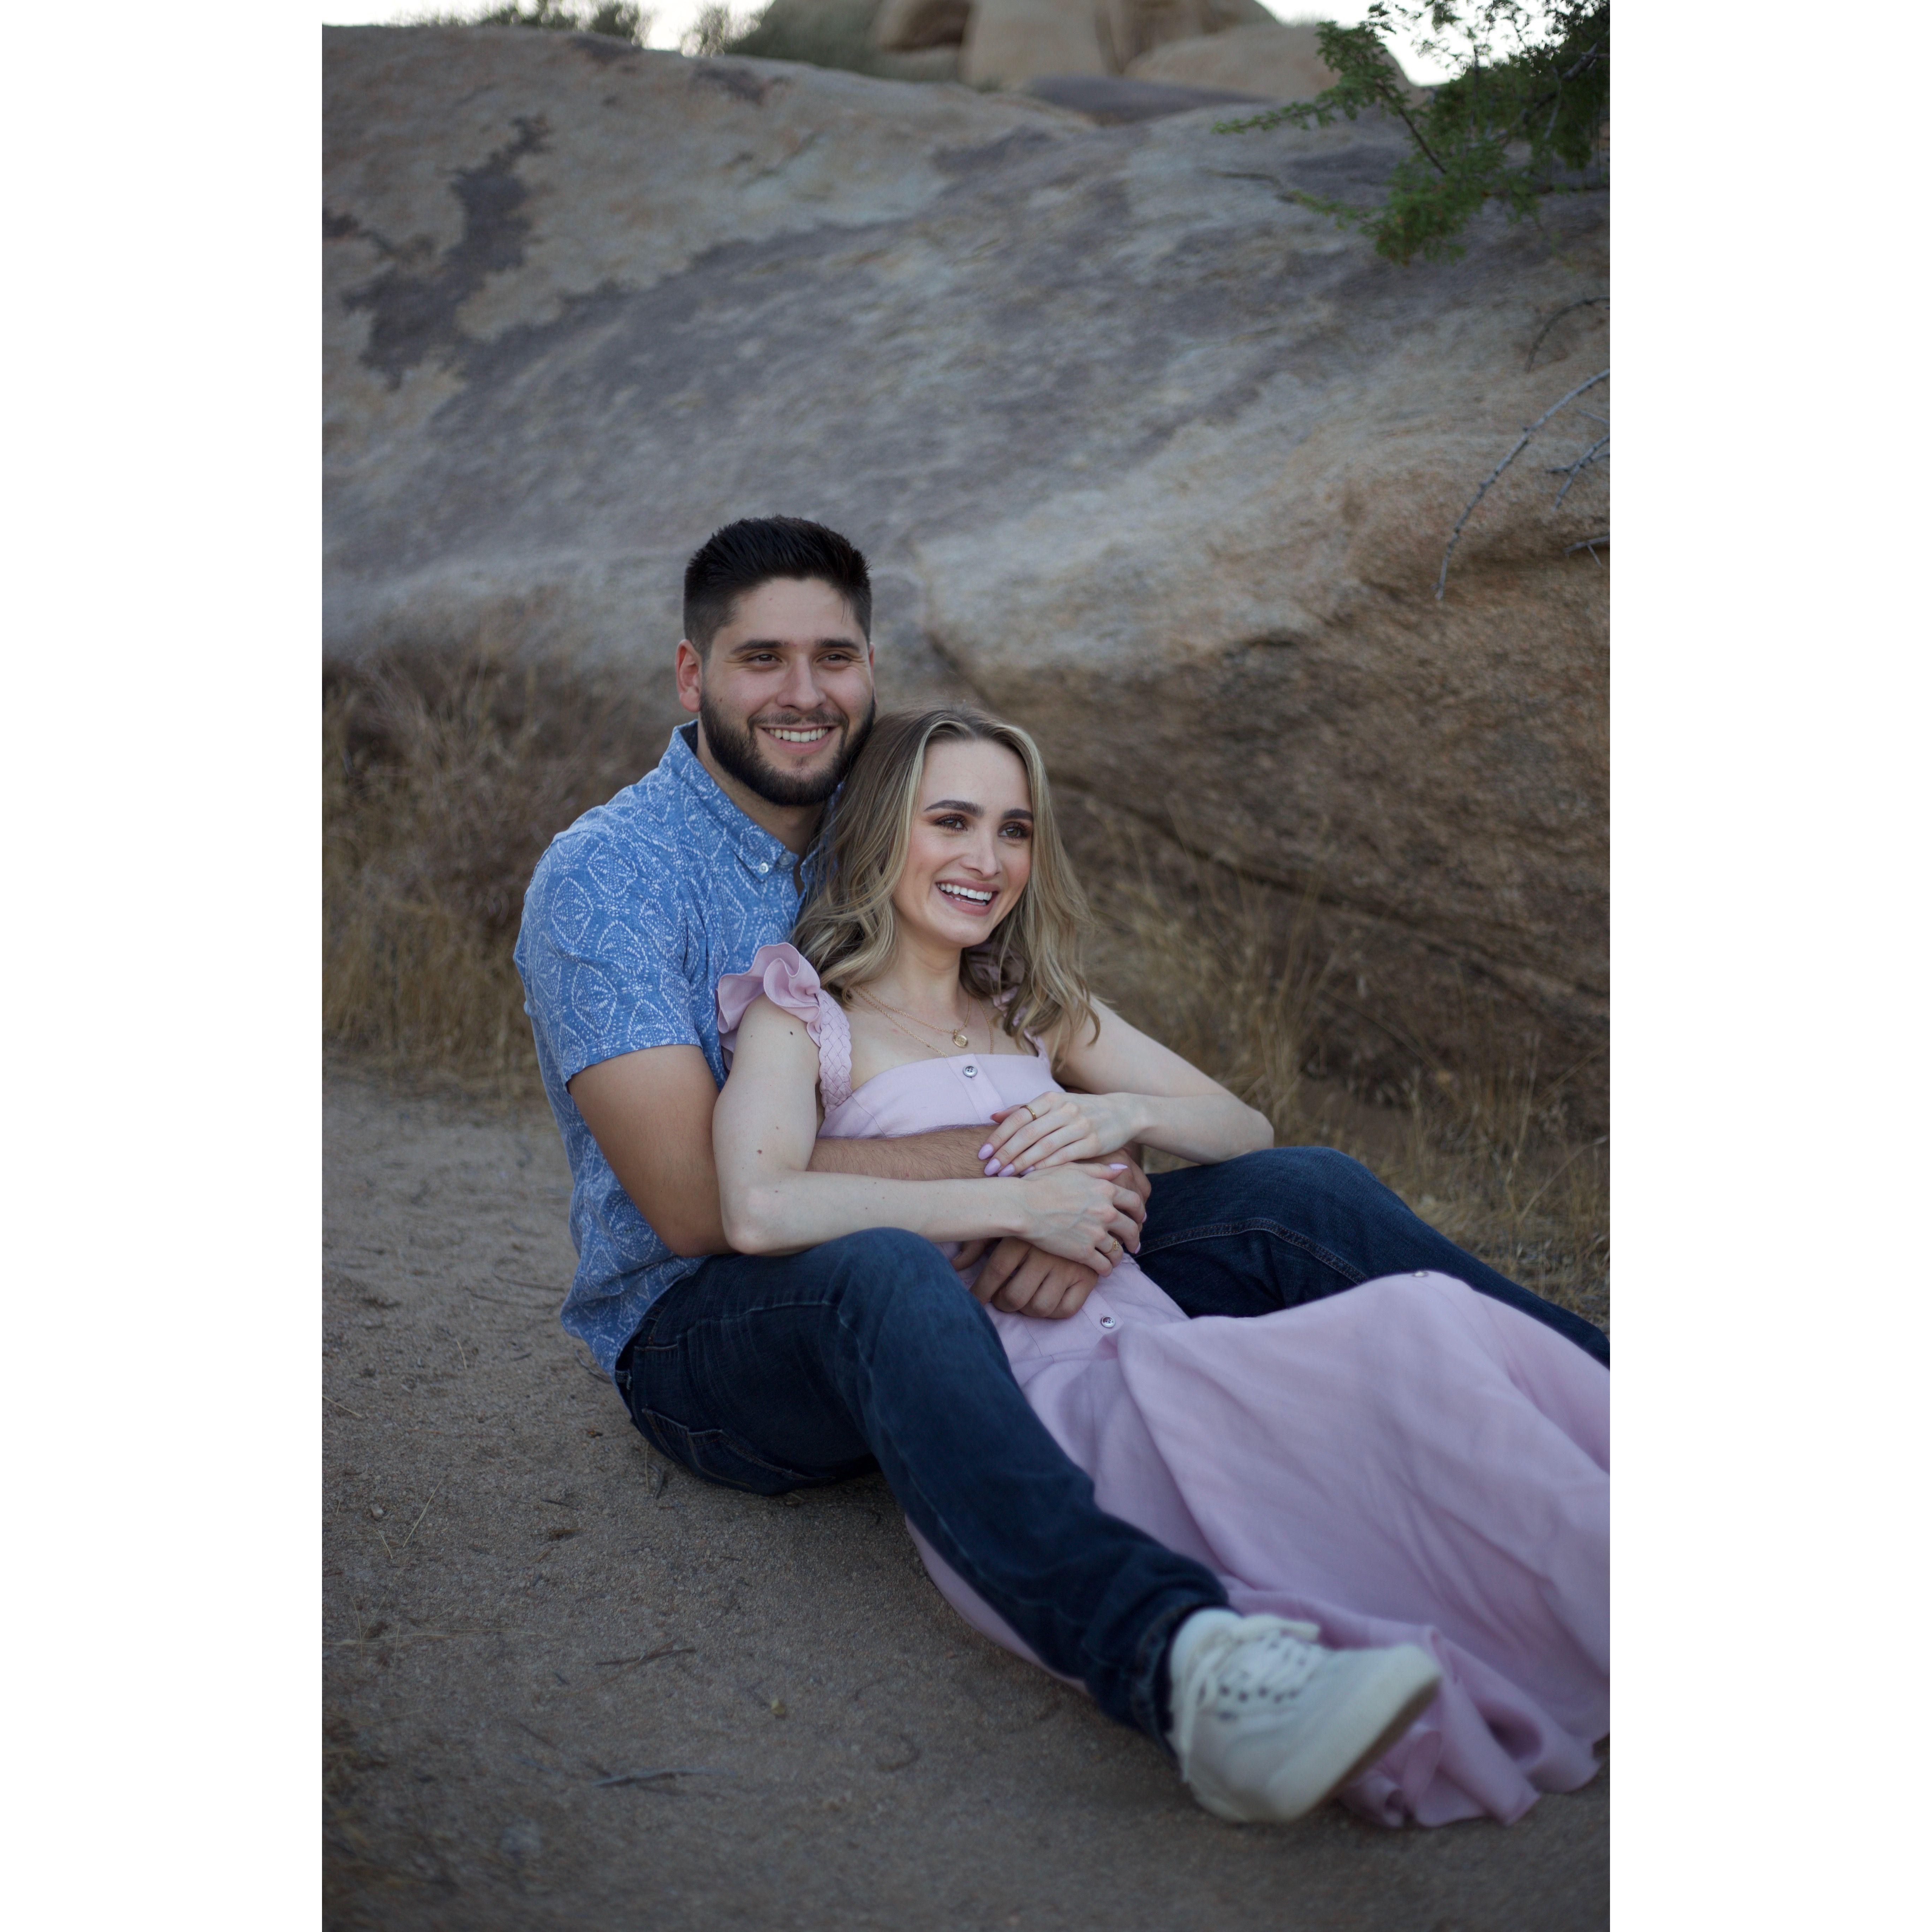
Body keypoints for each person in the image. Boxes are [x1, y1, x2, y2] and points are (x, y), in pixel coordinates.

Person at [513, 515, 1609, 1824]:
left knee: (1302, 1192)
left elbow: (1125, 1093)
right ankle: (1191, 1666)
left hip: (993, 1265)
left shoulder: (903, 846)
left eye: (835, 658)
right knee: (880, 1272)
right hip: (720, 1325)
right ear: (693, 676)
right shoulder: (614, 877)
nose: (803, 695)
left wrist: (1104, 1147)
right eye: (761, 659)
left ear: (872, 673)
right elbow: (707, 1210)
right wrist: (1028, 1187)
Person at [711, 705, 1609, 1828]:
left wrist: (1117, 1119)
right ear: (885, 831)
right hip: (1036, 1393)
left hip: (1153, 1326)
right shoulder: (806, 1016)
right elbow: (755, 1204)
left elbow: (1244, 1126)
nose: (987, 861)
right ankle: (1246, 1674)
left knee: (1425, 1322)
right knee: (1396, 1352)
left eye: (1014, 830)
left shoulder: (1031, 1007)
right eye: (952, 822)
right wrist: (1022, 1204)